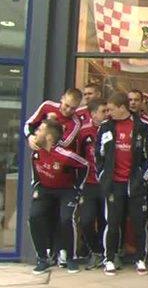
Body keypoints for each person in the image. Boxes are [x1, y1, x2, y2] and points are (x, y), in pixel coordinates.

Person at [95, 92, 148, 276]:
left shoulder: (142, 126)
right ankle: (110, 259)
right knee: (112, 223)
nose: (108, 113)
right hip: (113, 184)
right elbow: (98, 155)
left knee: (139, 223)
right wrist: (102, 175)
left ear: (122, 108)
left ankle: (140, 258)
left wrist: (142, 178)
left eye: (111, 109)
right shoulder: (105, 127)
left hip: (135, 184)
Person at [24, 88, 83, 267]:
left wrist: (45, 137)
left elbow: (61, 142)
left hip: (63, 173)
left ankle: (66, 255)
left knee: (64, 219)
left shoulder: (75, 122)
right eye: (66, 105)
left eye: (73, 108)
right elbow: (29, 124)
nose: (67, 111)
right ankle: (43, 256)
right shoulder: (47, 105)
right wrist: (31, 137)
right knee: (37, 217)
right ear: (61, 99)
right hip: (44, 175)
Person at [29, 119, 89, 275]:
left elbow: (85, 165)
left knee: (65, 219)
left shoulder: (65, 155)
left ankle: (70, 258)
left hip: (66, 190)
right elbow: (34, 170)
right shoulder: (36, 152)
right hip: (44, 189)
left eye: (40, 130)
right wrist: (36, 185)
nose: (36, 133)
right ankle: (42, 259)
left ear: (49, 137)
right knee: (34, 217)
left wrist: (78, 188)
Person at [76, 98, 108, 270]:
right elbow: (77, 157)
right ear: (93, 114)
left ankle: (104, 254)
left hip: (107, 184)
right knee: (86, 221)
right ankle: (94, 250)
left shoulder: (112, 130)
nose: (107, 114)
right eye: (103, 111)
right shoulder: (84, 132)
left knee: (106, 221)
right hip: (89, 184)